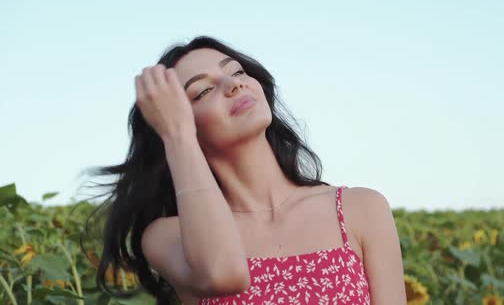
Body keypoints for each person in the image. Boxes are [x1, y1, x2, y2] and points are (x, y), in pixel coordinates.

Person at [80, 36, 406, 304]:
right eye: (202, 91)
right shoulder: (170, 236)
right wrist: (177, 137)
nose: (233, 86)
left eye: (236, 72)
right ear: (175, 124)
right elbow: (222, 275)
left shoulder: (361, 209)